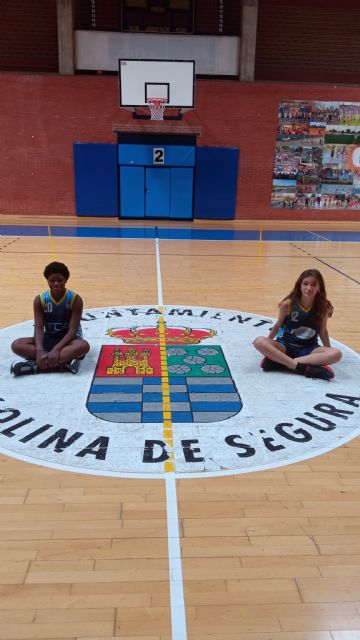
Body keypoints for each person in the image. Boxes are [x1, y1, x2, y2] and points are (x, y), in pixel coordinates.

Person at [253, 269, 342, 380]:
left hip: (309, 349)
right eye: (305, 284)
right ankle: (303, 368)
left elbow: (323, 331)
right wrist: (268, 345)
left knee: (336, 354)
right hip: (284, 346)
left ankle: (282, 362)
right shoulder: (288, 304)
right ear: (299, 285)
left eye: (313, 285)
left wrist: (327, 352)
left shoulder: (323, 307)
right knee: (259, 341)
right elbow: (277, 326)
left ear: (320, 288)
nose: (309, 288)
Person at [11, 261, 90, 376]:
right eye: (52, 281)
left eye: (60, 280)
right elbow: (38, 328)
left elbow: (72, 331)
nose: (56, 284)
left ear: (66, 280)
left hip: (69, 340)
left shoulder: (75, 299)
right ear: (47, 281)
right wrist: (39, 350)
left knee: (83, 346)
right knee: (17, 344)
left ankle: (36, 366)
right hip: (49, 337)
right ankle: (63, 364)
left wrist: (56, 349)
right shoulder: (40, 300)